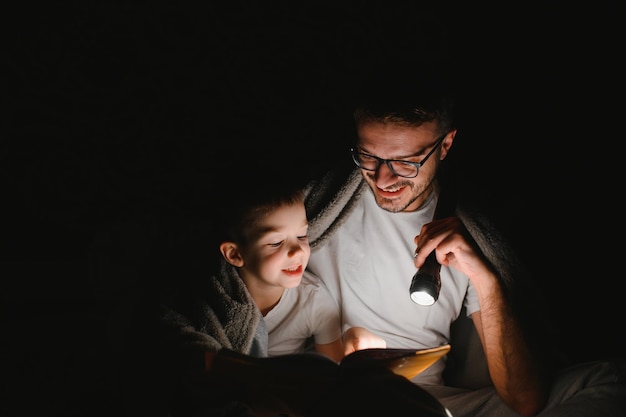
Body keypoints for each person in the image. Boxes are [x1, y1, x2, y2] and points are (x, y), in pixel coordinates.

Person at [302, 61, 626, 417]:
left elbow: (524, 399)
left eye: (406, 163)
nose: (382, 178)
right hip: (331, 394)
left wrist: (485, 279)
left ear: (446, 145)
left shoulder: (466, 233)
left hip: (427, 401)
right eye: (368, 156)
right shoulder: (315, 210)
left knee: (609, 379)